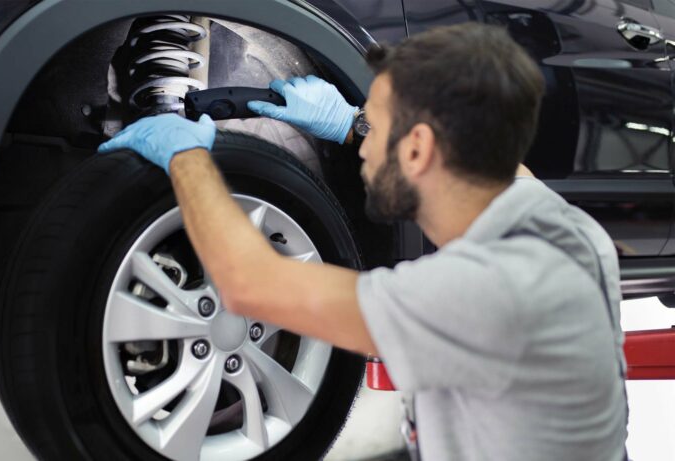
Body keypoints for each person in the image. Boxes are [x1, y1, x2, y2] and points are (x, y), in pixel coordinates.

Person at [98, 23, 627, 461]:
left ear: (419, 148)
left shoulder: (484, 292)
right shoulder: (564, 228)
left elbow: (250, 286)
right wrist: (351, 124)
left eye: (376, 127)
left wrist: (185, 158)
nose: (365, 150)